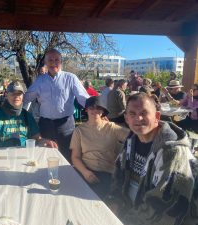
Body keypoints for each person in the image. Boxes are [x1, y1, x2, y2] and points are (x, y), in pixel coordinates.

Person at [107, 92, 195, 225]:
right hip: (130, 208)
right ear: (126, 118)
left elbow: (165, 208)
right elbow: (119, 174)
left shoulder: (173, 151)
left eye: (144, 113)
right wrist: (114, 202)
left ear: (157, 117)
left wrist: (125, 220)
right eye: (132, 114)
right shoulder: (131, 140)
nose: (138, 118)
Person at [23, 49, 89, 161]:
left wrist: (98, 111)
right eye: (50, 60)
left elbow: (84, 98)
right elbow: (26, 97)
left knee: (67, 157)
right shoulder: (40, 80)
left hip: (66, 125)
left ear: (61, 61)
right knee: (44, 156)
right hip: (45, 125)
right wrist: (11, 101)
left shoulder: (70, 78)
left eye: (57, 60)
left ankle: (66, 178)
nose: (53, 63)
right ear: (45, 62)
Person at [0, 81, 57, 154]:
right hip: (1, 157)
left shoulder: (27, 116)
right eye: (13, 93)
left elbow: (37, 139)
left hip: (24, 156)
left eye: (19, 94)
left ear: (23, 96)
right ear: (7, 94)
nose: (16, 97)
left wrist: (46, 141)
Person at [70, 96, 129, 198]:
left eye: (98, 108)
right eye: (91, 108)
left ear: (102, 111)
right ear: (86, 110)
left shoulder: (112, 127)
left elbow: (135, 136)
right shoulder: (79, 131)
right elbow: (75, 157)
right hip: (84, 169)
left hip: (106, 172)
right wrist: (85, 172)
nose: (95, 111)